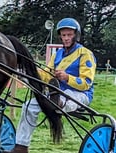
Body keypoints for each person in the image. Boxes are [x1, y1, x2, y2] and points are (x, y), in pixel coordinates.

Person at [6, 18, 97, 153]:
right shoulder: (57, 54)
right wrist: (26, 74)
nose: (66, 38)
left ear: (76, 35)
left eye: (69, 35)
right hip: (55, 92)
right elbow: (46, 75)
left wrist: (67, 78)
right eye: (63, 35)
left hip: (81, 94)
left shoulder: (85, 54)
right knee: (28, 106)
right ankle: (21, 146)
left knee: (64, 99)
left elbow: (86, 83)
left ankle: (58, 102)